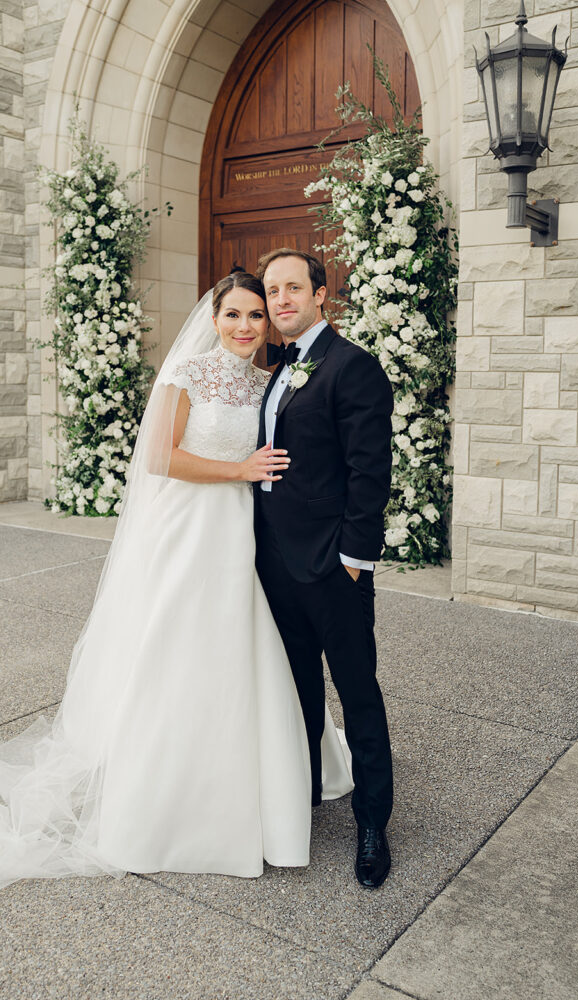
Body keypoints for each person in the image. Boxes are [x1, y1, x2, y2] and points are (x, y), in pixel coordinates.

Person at [0, 271, 352, 906]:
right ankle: (166, 796)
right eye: (233, 315)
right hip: (188, 529)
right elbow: (158, 457)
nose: (245, 327)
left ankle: (255, 781)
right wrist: (238, 468)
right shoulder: (185, 376)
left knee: (240, 647)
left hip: (243, 532)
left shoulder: (270, 383)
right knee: (177, 646)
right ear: (213, 320)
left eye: (256, 316)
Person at [254, 248, 395, 890]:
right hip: (275, 565)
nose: (281, 299)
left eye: (293, 287)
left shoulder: (351, 366)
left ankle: (373, 824)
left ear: (319, 294)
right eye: (272, 290)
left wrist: (353, 561)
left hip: (334, 568)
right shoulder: (277, 369)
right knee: (300, 690)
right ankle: (305, 796)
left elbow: (370, 471)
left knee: (357, 693)